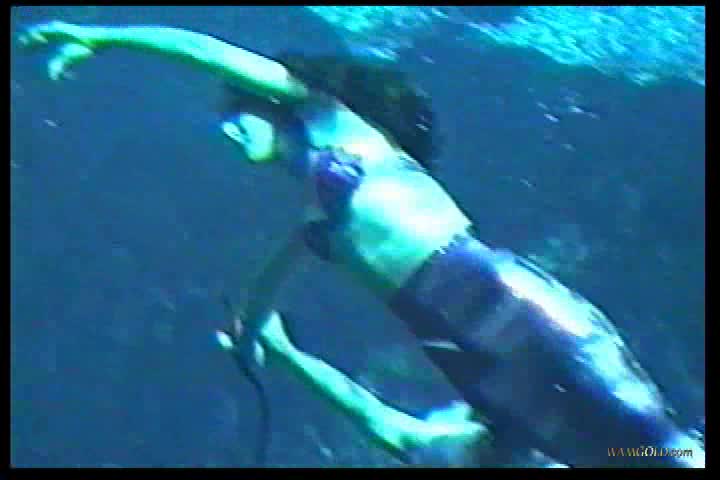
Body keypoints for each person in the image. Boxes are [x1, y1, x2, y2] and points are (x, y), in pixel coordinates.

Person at [19, 21, 704, 468]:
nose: (227, 132)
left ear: (270, 103)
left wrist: (103, 36)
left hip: (512, 310)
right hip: (474, 368)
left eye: (235, 115)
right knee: (613, 458)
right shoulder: (315, 225)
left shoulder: (337, 125)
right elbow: (264, 298)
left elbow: (206, 51)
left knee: (656, 450)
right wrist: (262, 345)